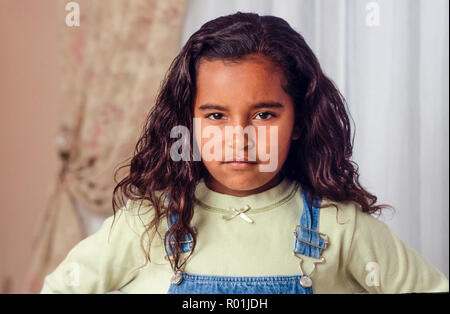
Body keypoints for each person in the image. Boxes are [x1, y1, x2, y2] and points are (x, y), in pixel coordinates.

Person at [40, 11, 449, 294]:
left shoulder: (339, 227)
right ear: (188, 122)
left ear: (300, 122)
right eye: (216, 115)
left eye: (265, 114)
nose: (240, 137)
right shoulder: (146, 224)